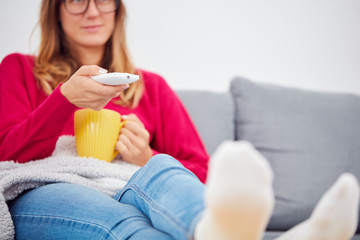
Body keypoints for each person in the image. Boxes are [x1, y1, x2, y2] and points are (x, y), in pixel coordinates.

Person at [0, 0, 358, 239]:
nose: (92, 11)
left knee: (161, 172)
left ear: (118, 10)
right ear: (56, 10)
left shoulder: (151, 87)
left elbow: (202, 169)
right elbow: (6, 155)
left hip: (126, 184)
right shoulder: (19, 69)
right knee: (135, 226)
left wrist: (147, 157)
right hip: (52, 186)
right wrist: (64, 100)